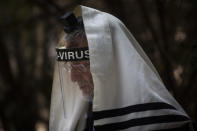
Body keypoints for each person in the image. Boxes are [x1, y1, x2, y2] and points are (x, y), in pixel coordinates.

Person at [49, 5, 196, 131]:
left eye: (81, 66)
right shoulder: (84, 113)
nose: (73, 78)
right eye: (70, 67)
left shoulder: (162, 121)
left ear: (113, 62)